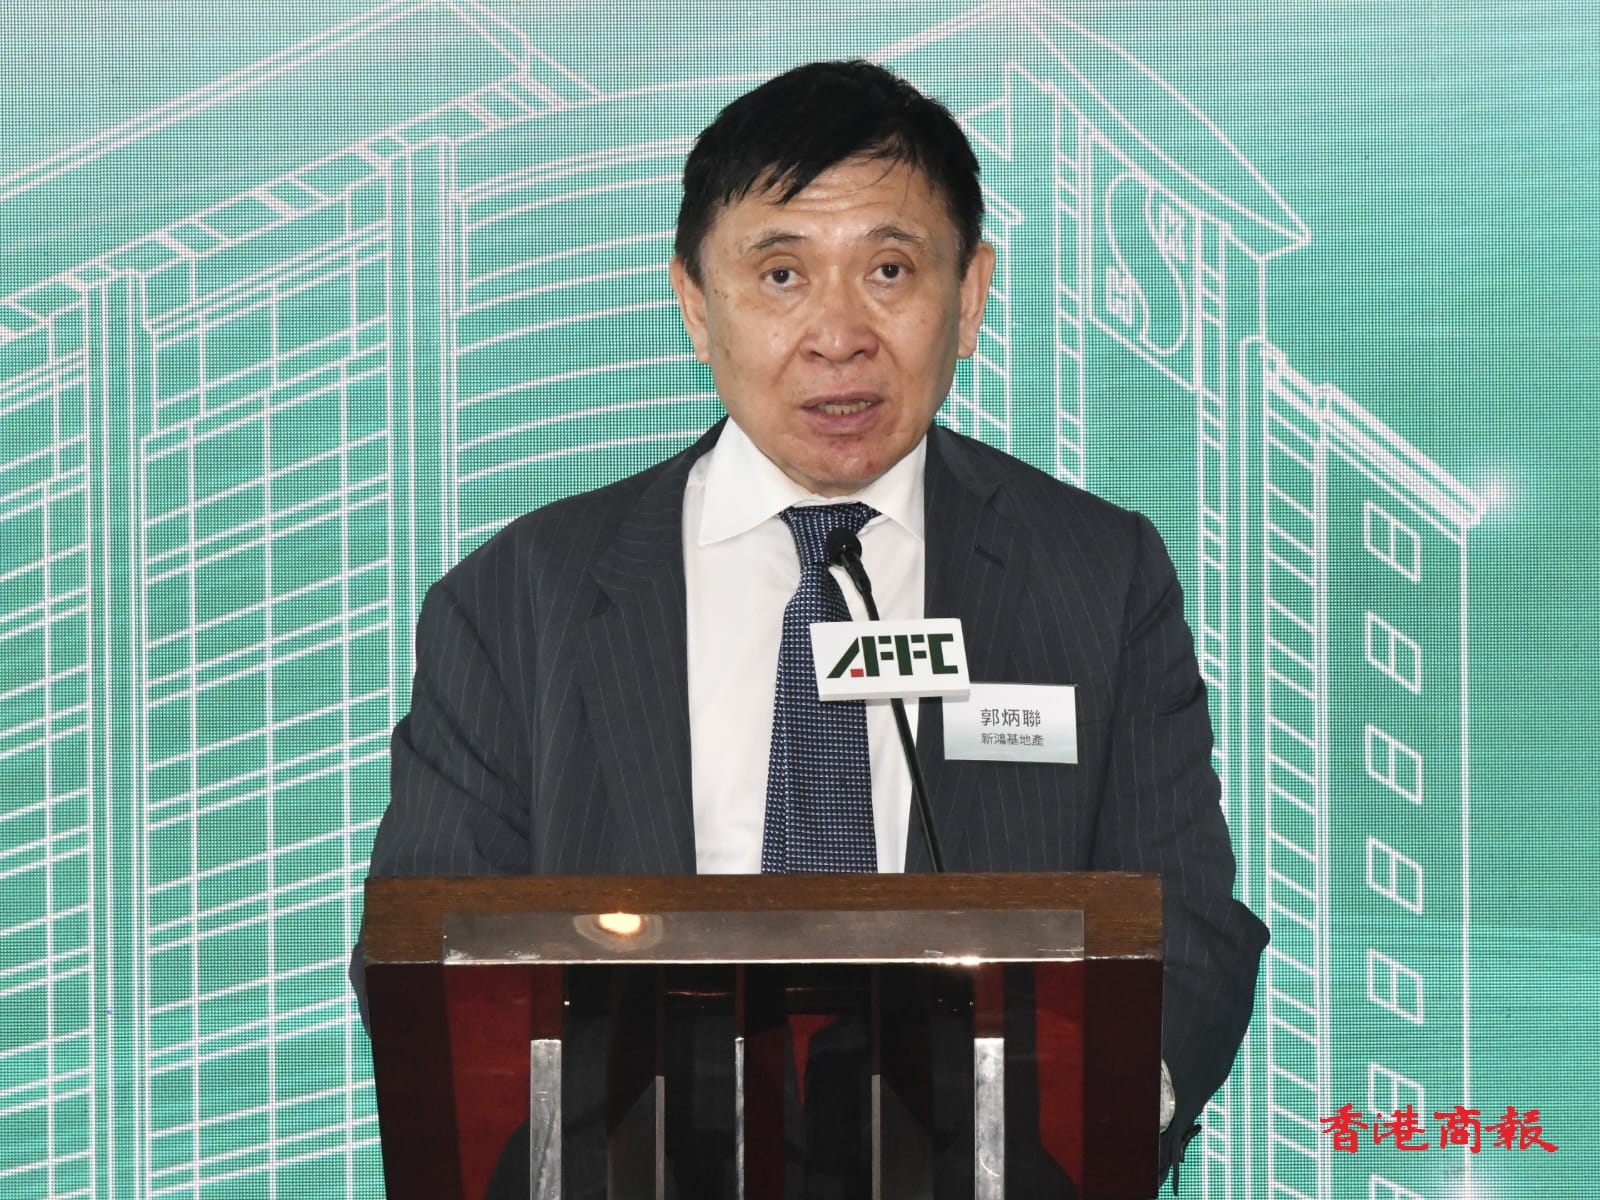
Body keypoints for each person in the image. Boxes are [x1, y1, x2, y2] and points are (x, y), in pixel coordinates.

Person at [354, 59, 1267, 1196]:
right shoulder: (518, 598)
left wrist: (1087, 1133)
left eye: (890, 270)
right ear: (697, 304)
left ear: (969, 297)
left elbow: (1185, 928)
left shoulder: (1097, 577)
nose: (839, 335)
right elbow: (430, 951)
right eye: (781, 273)